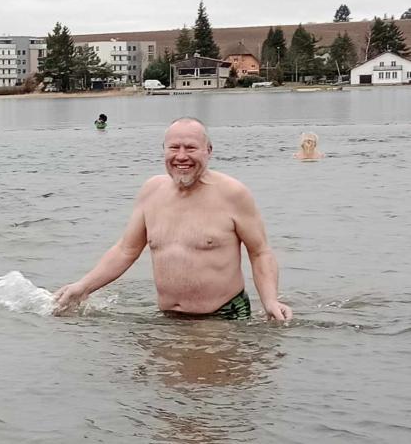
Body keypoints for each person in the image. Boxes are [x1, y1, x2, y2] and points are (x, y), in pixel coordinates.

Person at [54, 117, 292, 321]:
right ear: (164, 150)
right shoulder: (151, 191)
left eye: (190, 148)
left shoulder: (233, 194)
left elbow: (260, 252)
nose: (181, 156)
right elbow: (126, 250)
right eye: (174, 148)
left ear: (208, 151)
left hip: (222, 317)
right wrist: (82, 287)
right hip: (168, 319)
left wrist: (270, 300)